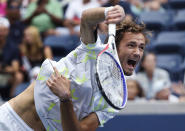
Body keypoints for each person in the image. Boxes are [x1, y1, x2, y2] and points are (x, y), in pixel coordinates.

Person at [0, 5, 150, 130]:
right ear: (115, 46)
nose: (137, 52)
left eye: (141, 47)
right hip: (8, 121)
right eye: (131, 45)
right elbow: (86, 18)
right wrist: (109, 11)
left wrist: (66, 98)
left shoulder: (116, 99)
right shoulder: (92, 50)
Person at [0, 17, 21, 100]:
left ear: (8, 31)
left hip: (6, 75)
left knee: (19, 76)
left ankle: (11, 99)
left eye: (3, 30)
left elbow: (15, 68)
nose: (1, 33)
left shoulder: (13, 47)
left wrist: (2, 68)